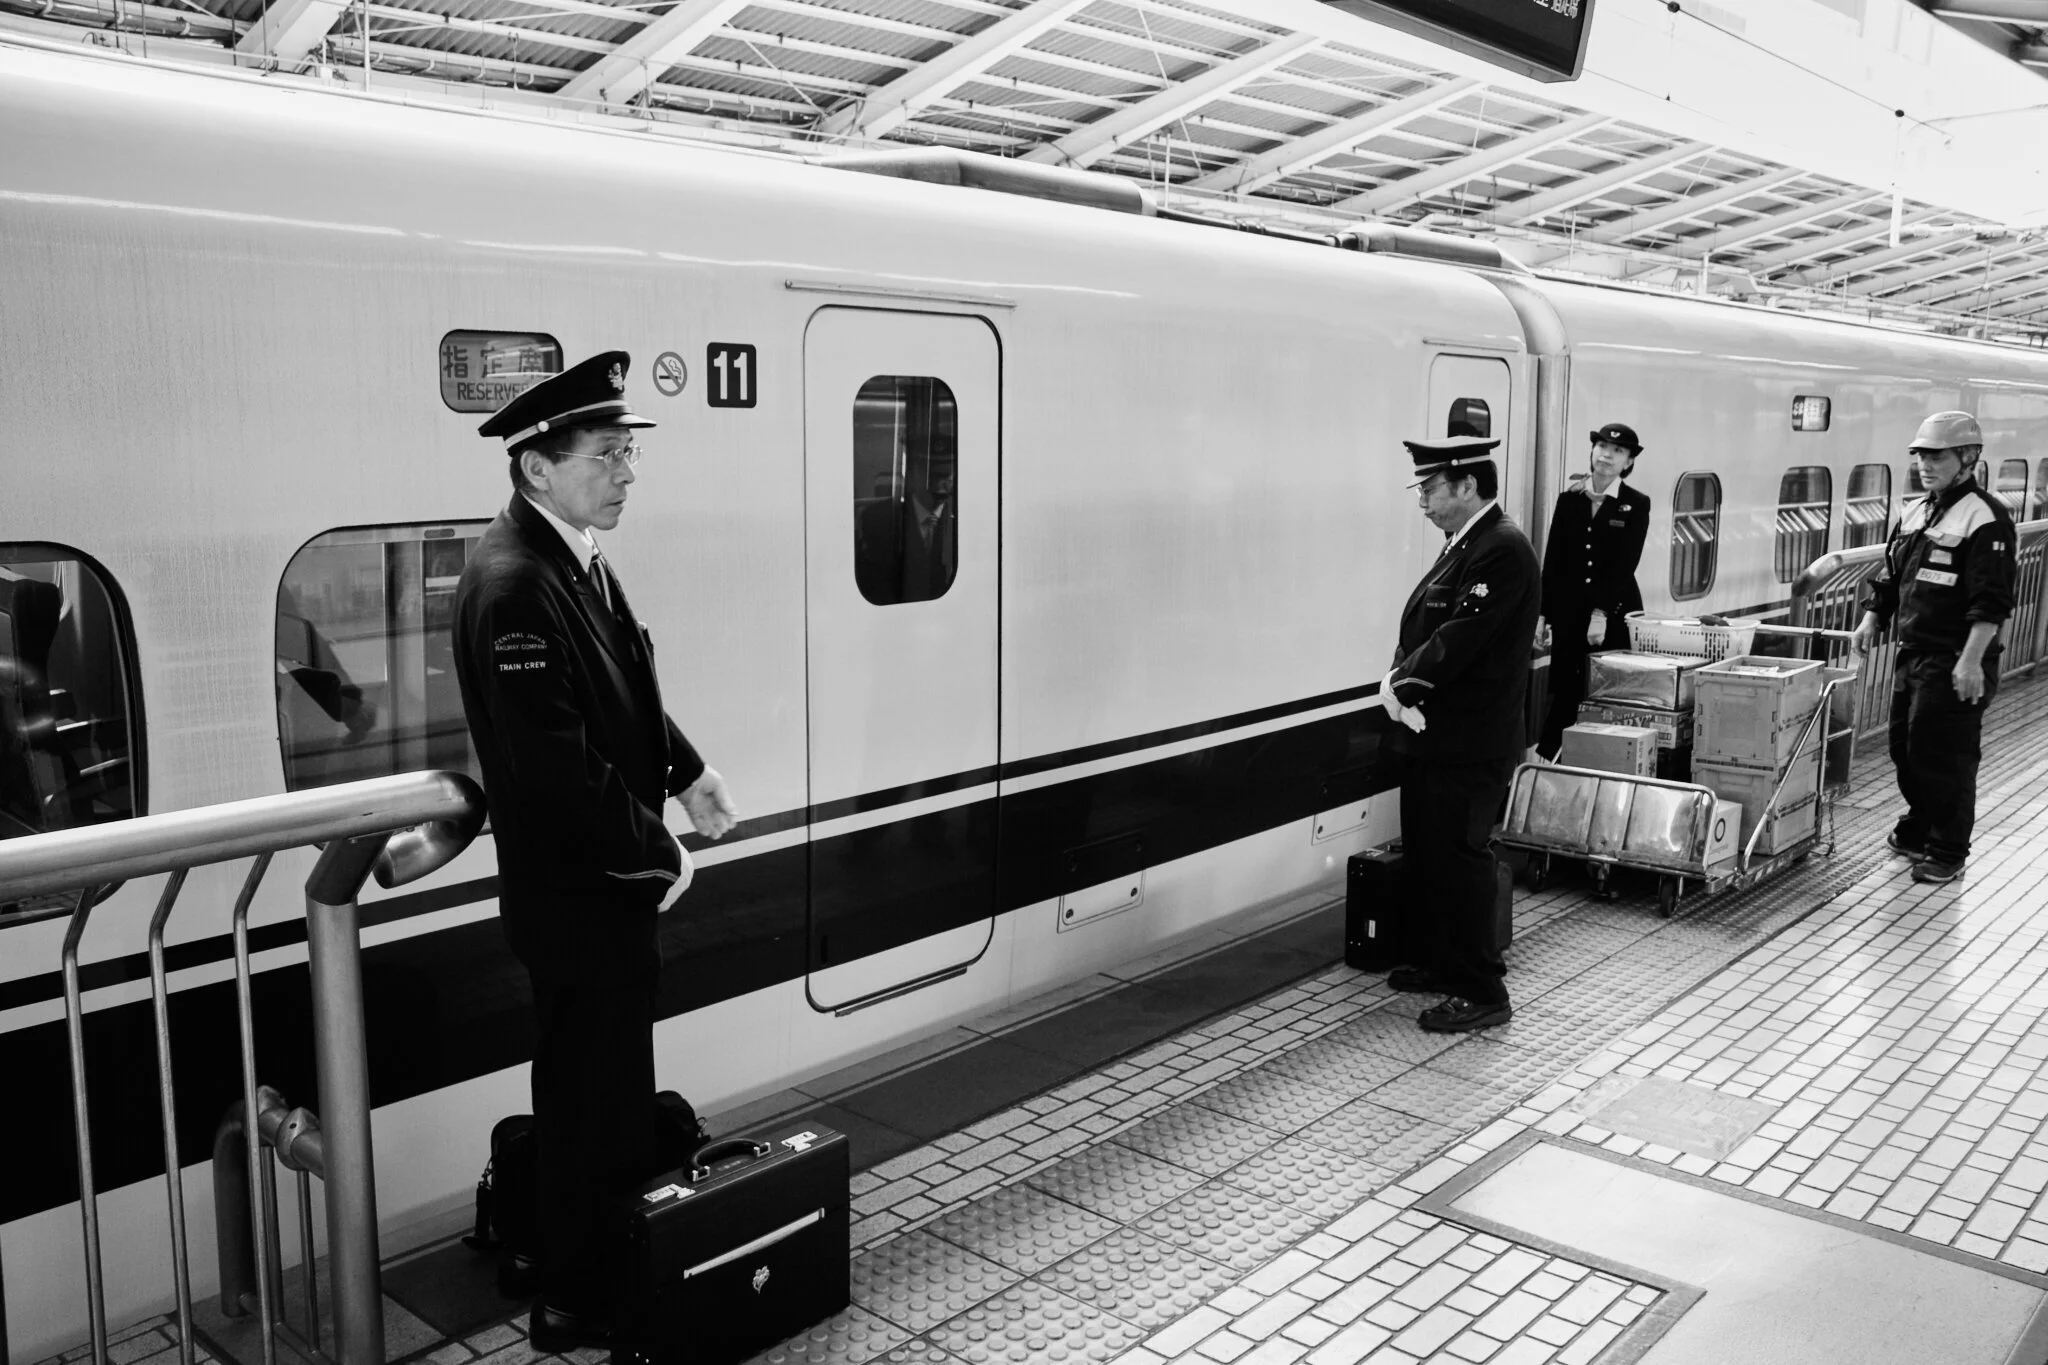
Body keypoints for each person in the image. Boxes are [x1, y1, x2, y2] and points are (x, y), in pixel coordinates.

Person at [453, 350, 738, 1351]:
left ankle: (606, 1265)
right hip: (578, 898)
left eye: (627, 453)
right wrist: (658, 852)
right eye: (608, 454)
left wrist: (687, 772)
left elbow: (626, 693)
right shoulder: (514, 585)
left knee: (608, 1095)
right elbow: (553, 770)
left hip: (600, 894)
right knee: (586, 1105)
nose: (626, 473)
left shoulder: (572, 555)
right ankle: (576, 1298)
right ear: (538, 466)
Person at [1381, 436, 1541, 1033]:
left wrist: (1402, 684)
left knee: (1462, 859)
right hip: (1438, 737)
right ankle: (1441, 961)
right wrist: (1402, 676)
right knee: (1429, 852)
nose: (1422, 499)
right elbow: (1431, 623)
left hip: (1470, 740)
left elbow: (1461, 638)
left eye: (1429, 487)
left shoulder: (1501, 549)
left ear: (1467, 486)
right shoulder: (1467, 542)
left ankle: (1480, 991)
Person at [1850, 410, 2014, 885]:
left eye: (1937, 454)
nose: (1925, 463)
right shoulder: (1916, 510)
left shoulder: (1986, 518)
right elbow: (1893, 572)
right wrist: (1872, 616)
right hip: (1913, 650)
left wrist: (1969, 662)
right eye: (1921, 454)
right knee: (1905, 747)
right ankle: (1921, 825)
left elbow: (1993, 601)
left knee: (1946, 755)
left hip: (1958, 656)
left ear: (1968, 458)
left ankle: (1947, 848)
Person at [1537, 423, 1651, 757]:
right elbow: (1553, 559)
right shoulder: (1569, 499)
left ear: (1628, 463)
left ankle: (1602, 761)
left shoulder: (1635, 504)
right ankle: (1553, 763)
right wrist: (1543, 614)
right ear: (1592, 452)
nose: (1607, 455)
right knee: (1566, 689)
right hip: (1570, 614)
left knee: (1605, 693)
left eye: (1617, 451)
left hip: (1612, 614)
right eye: (1602, 447)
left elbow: (1625, 563)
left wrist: (1601, 612)